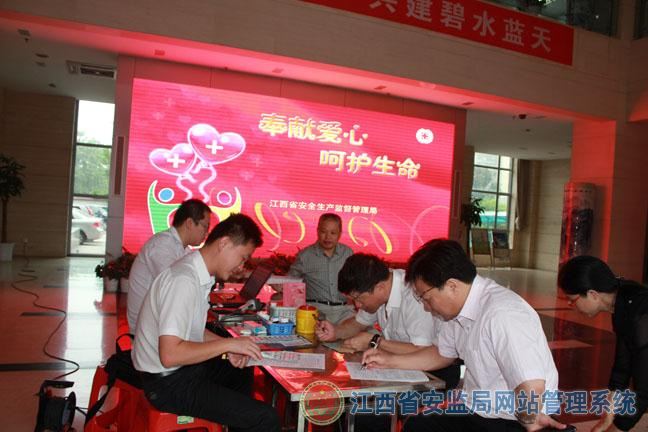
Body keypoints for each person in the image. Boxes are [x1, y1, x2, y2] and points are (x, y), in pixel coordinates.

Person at [363, 239, 565, 432]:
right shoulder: (456, 312)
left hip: (513, 419)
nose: (426, 307)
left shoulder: (503, 313)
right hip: (478, 410)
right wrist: (389, 361)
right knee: (419, 425)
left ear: (452, 286)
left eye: (426, 298)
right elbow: (441, 354)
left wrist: (529, 420)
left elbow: (532, 386)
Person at [132, 213, 279, 431]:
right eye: (242, 258)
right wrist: (229, 344)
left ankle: (239, 421)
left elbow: (194, 331)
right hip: (167, 384)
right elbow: (170, 355)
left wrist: (230, 349)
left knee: (241, 370)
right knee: (266, 418)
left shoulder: (198, 273)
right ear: (224, 243)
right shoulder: (183, 281)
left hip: (179, 372)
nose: (241, 266)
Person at [558, 255, 648, 432]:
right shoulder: (623, 303)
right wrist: (608, 418)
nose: (570, 305)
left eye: (572, 300)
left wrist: (616, 427)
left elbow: (643, 390)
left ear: (592, 294)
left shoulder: (640, 313)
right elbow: (622, 367)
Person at [127, 199, 211, 331]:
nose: (207, 233)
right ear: (189, 223)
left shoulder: (182, 249)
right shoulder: (161, 245)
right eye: (205, 227)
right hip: (147, 330)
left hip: (159, 322)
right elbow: (175, 286)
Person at [289, 213, 354, 324]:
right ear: (317, 231)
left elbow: (356, 281)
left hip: (344, 310)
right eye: (324, 232)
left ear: (340, 234)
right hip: (316, 310)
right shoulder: (305, 255)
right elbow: (290, 282)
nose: (328, 237)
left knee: (366, 331)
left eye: (333, 233)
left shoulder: (347, 253)